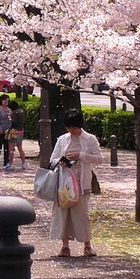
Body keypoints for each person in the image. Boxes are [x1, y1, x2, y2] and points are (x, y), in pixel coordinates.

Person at [49, 109, 102, 257]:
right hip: (64, 183)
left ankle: (87, 245)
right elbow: (52, 159)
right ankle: (65, 246)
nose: (71, 130)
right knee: (62, 214)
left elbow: (99, 158)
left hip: (81, 182)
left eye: (74, 127)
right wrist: (62, 162)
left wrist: (81, 156)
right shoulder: (63, 139)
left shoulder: (89, 139)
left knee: (82, 215)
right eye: (69, 128)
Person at [0, 94, 12, 170]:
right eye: (4, 100)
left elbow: (12, 120)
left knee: (7, 147)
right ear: (1, 101)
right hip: (0, 131)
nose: (6, 101)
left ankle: (6, 163)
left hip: (8, 131)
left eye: (7, 100)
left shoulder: (10, 110)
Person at [8, 100, 27, 170]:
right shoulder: (21, 111)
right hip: (21, 130)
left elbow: (14, 122)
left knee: (11, 148)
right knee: (20, 147)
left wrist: (10, 118)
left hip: (14, 130)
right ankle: (24, 163)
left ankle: (11, 164)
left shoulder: (15, 113)